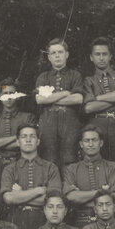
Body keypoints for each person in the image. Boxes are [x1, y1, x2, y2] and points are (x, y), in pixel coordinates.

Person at [0, 122, 63, 229]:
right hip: (16, 221)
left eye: (32, 136)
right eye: (24, 137)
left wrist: (20, 195)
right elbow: (8, 198)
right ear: (18, 142)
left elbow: (52, 200)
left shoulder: (50, 167)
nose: (28, 140)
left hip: (43, 222)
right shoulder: (9, 169)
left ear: (38, 141)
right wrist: (38, 191)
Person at [34, 38, 84, 171]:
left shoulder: (75, 75)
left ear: (66, 54)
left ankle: (69, 190)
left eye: (60, 52)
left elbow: (78, 99)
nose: (57, 55)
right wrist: (66, 93)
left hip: (70, 122)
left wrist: (51, 98)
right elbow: (40, 100)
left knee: (70, 158)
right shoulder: (43, 77)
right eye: (53, 53)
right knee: (48, 158)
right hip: (48, 121)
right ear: (49, 57)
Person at [83, 37, 115, 170]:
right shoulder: (88, 81)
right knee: (97, 166)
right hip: (96, 126)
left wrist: (97, 98)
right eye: (97, 54)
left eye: (104, 54)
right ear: (91, 57)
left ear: (110, 56)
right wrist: (114, 98)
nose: (101, 58)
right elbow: (88, 107)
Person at [63, 124, 115, 227]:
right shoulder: (72, 169)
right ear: (81, 144)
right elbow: (70, 198)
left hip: (107, 223)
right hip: (80, 222)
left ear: (101, 143)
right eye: (86, 141)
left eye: (94, 140)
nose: (90, 144)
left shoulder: (113, 167)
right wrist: (101, 192)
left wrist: (81, 198)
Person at [0, 77, 36, 181]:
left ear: (18, 96)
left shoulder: (27, 118)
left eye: (12, 93)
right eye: (5, 93)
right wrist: (18, 137)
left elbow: (28, 143)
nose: (8, 97)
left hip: (21, 165)